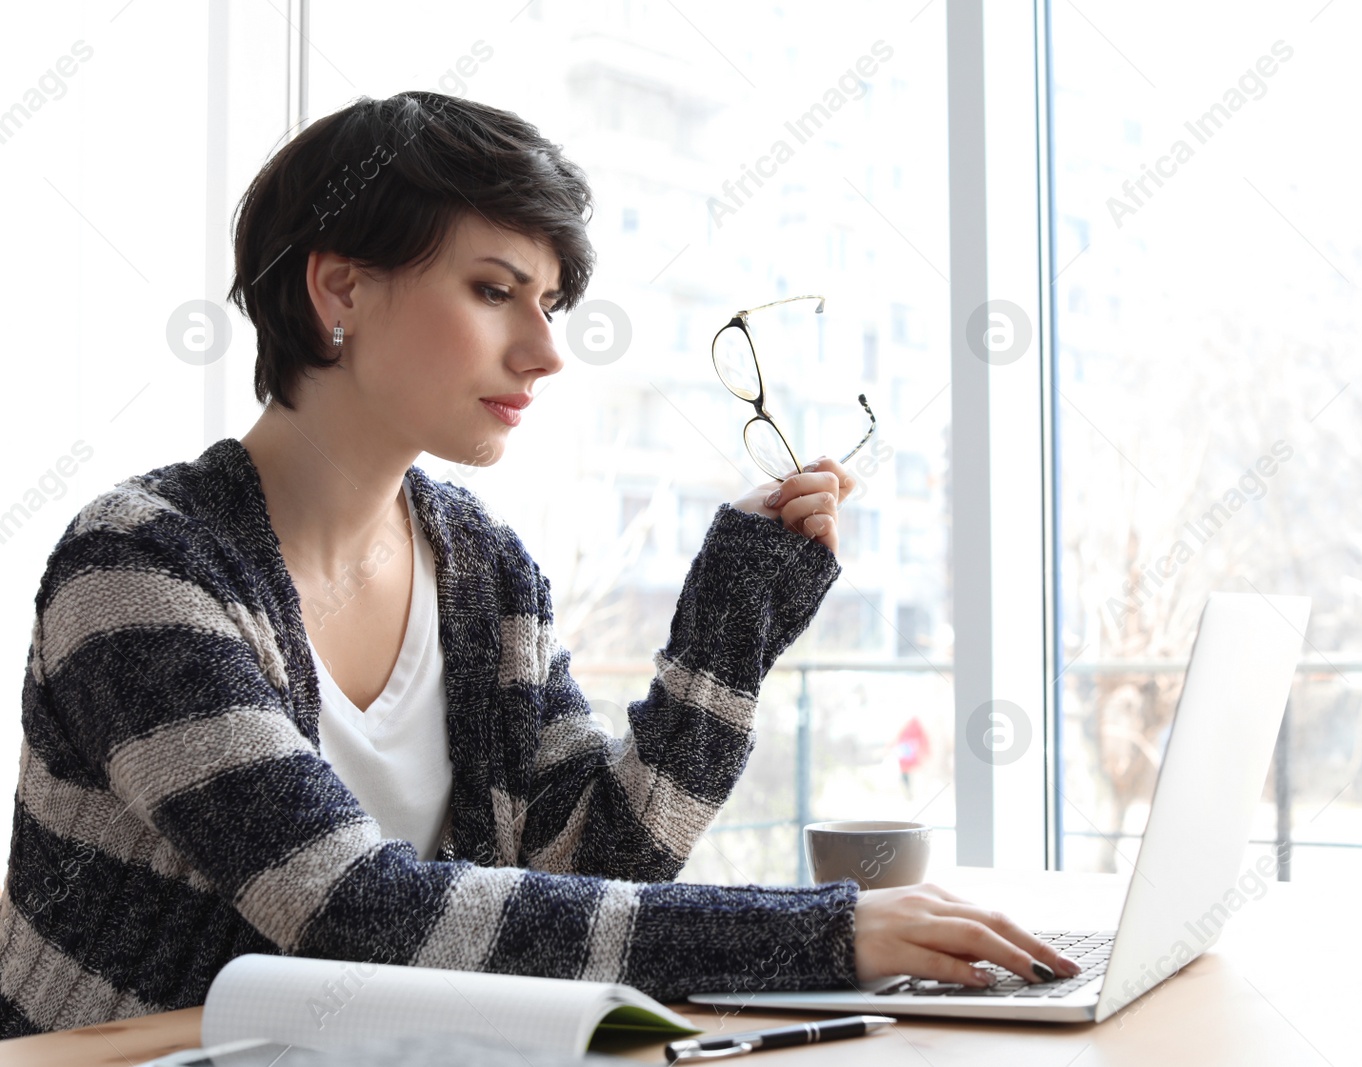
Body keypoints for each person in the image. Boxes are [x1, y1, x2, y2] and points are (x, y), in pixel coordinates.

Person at [0, 90, 1077, 1037]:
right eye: (492, 290)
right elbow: (349, 910)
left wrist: (727, 626)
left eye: (551, 303)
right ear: (339, 290)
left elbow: (597, 872)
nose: (547, 349)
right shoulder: (138, 569)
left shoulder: (481, 565)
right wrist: (830, 933)